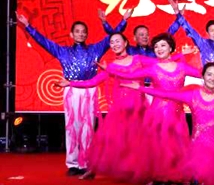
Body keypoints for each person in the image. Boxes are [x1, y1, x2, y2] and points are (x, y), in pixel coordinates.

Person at [16, 10, 131, 176]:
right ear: (71, 34)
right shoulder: (62, 51)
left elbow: (113, 37)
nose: (81, 34)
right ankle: (72, 163)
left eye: (84, 32)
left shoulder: (95, 49)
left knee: (88, 128)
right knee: (72, 127)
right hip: (71, 90)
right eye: (77, 31)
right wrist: (27, 26)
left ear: (87, 35)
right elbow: (43, 41)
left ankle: (85, 162)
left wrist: (123, 20)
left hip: (89, 89)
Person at [103, 32, 202, 183]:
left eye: (163, 45)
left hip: (177, 112)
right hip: (157, 112)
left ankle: (175, 173)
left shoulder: (182, 67)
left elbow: (202, 74)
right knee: (160, 144)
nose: (159, 49)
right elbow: (130, 75)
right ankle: (161, 174)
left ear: (171, 48)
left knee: (176, 142)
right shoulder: (153, 68)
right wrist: (110, 70)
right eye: (156, 47)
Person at [56, 32, 148, 181]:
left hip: (139, 107)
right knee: (108, 141)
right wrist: (70, 83)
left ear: (125, 43)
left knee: (141, 140)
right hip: (121, 109)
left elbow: (159, 64)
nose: (115, 44)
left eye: (118, 41)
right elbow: (92, 82)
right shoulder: (111, 67)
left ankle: (141, 170)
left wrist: (181, 56)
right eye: (112, 42)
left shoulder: (138, 59)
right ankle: (93, 168)